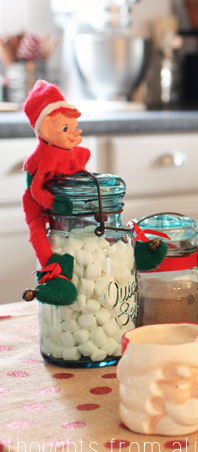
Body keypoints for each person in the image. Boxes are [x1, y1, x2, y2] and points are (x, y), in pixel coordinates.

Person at [22, 80, 90, 305]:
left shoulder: (65, 151)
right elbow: (36, 191)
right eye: (65, 129)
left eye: (73, 128)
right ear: (45, 129)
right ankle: (53, 276)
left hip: (59, 201)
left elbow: (78, 172)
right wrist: (54, 204)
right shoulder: (44, 156)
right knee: (38, 234)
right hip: (37, 203)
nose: (72, 135)